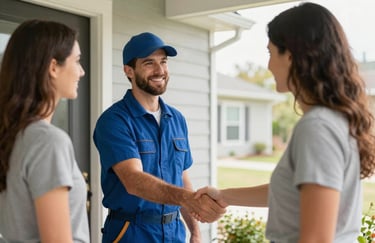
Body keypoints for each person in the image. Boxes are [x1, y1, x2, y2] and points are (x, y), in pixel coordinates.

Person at [195, 2, 375, 243]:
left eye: (270, 53)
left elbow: (316, 239)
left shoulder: (318, 127)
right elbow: (293, 192)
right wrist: (224, 196)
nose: (268, 65)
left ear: (290, 55)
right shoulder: (331, 121)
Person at [93, 32, 225, 243]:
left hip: (174, 232)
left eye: (163, 62)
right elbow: (133, 181)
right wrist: (188, 199)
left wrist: (195, 232)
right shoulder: (115, 121)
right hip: (131, 232)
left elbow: (182, 177)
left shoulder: (176, 119)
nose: (160, 70)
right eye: (149, 63)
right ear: (129, 71)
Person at [0, 19, 89, 243]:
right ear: (52, 67)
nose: (82, 72)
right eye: (77, 61)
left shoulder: (13, 136)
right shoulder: (48, 142)